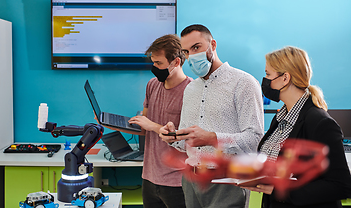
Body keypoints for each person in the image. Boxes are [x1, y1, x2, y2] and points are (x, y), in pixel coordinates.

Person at [159, 24, 264, 208]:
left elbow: (254, 139)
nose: (191, 55)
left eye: (196, 47)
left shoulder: (244, 83)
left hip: (227, 181)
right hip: (191, 180)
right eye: (186, 51)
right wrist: (173, 136)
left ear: (213, 45)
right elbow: (187, 143)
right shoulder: (190, 88)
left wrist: (213, 138)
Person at [242, 46, 351, 207]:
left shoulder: (320, 123)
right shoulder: (280, 119)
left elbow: (340, 185)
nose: (264, 80)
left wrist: (280, 189)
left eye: (267, 74)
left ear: (285, 78)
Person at [102, 34, 193, 208]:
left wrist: (151, 125)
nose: (154, 67)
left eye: (158, 63)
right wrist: (109, 123)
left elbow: (189, 138)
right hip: (149, 177)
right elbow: (144, 128)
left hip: (178, 181)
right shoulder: (152, 84)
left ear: (176, 62)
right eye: (153, 62)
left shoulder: (192, 91)